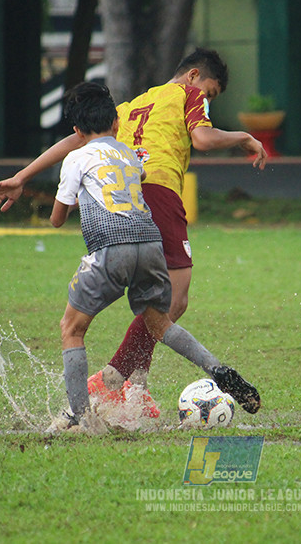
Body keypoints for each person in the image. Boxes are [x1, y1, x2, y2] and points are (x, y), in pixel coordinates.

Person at [0, 48, 267, 417]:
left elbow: (77, 141)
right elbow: (203, 140)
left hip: (120, 203)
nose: (207, 101)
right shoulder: (189, 94)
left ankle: (132, 386)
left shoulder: (130, 106)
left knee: (147, 307)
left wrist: (22, 177)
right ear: (195, 76)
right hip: (159, 193)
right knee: (173, 303)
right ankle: (117, 380)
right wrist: (244, 136)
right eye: (211, 93)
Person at [47, 82, 259, 432]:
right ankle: (218, 370)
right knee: (159, 324)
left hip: (111, 249)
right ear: (117, 124)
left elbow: (57, 219)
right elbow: (140, 175)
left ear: (76, 131)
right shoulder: (130, 154)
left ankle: (80, 418)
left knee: (72, 329)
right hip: (150, 245)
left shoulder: (75, 157)